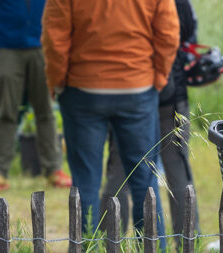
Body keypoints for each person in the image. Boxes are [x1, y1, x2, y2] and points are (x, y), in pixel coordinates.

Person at [46, 0, 177, 234]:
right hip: (137, 88)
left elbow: (55, 37)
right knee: (145, 183)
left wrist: (57, 81)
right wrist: (157, 77)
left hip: (83, 88)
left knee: (85, 184)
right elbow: (168, 34)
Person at [105, 0, 197, 231]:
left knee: (119, 170)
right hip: (168, 90)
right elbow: (186, 31)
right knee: (177, 169)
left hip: (129, 90)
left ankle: (105, 248)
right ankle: (188, 247)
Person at [0, 0, 69, 192]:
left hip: (42, 45)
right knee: (7, 112)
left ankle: (54, 170)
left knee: (45, 111)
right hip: (8, 48)